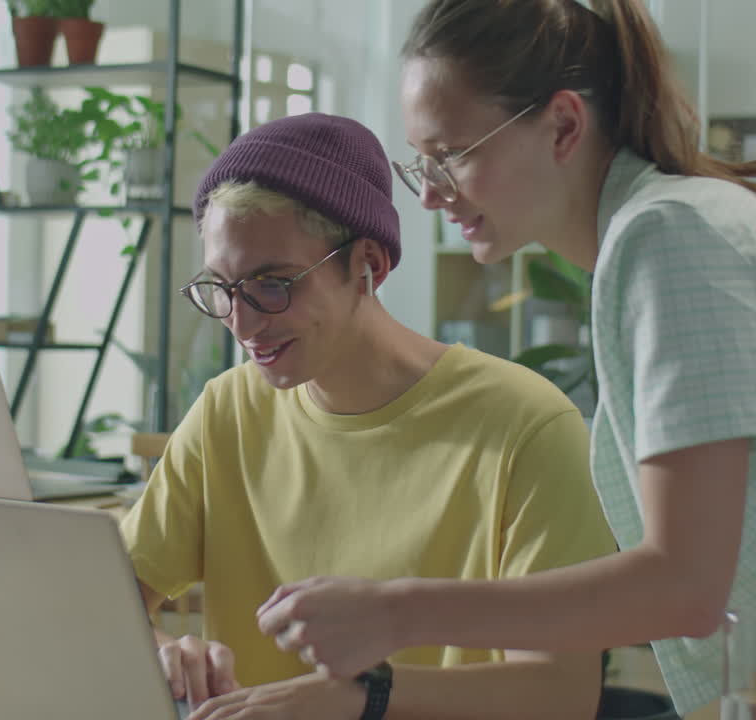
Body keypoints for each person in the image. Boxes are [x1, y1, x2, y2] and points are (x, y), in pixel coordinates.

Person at [255, 2, 756, 718]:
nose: (431, 195)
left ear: (562, 125)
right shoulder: (664, 233)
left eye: (452, 155)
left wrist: (395, 612)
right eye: (422, 163)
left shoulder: (671, 243)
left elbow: (683, 585)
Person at [119, 111, 616, 720]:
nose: (242, 324)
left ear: (368, 265)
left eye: (272, 284)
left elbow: (561, 694)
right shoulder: (227, 411)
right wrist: (166, 651)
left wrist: (363, 700)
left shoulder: (526, 427)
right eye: (221, 288)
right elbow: (105, 602)